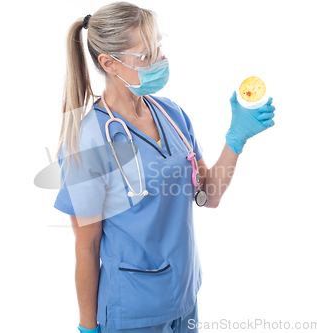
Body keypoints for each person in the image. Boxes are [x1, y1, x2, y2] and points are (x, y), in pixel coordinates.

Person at [53, 2, 276, 333]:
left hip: (184, 296)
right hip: (132, 310)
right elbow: (87, 246)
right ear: (109, 63)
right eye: (146, 55)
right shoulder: (88, 142)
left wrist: (235, 138)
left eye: (158, 46)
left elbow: (208, 196)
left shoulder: (171, 113)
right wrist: (88, 327)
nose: (160, 60)